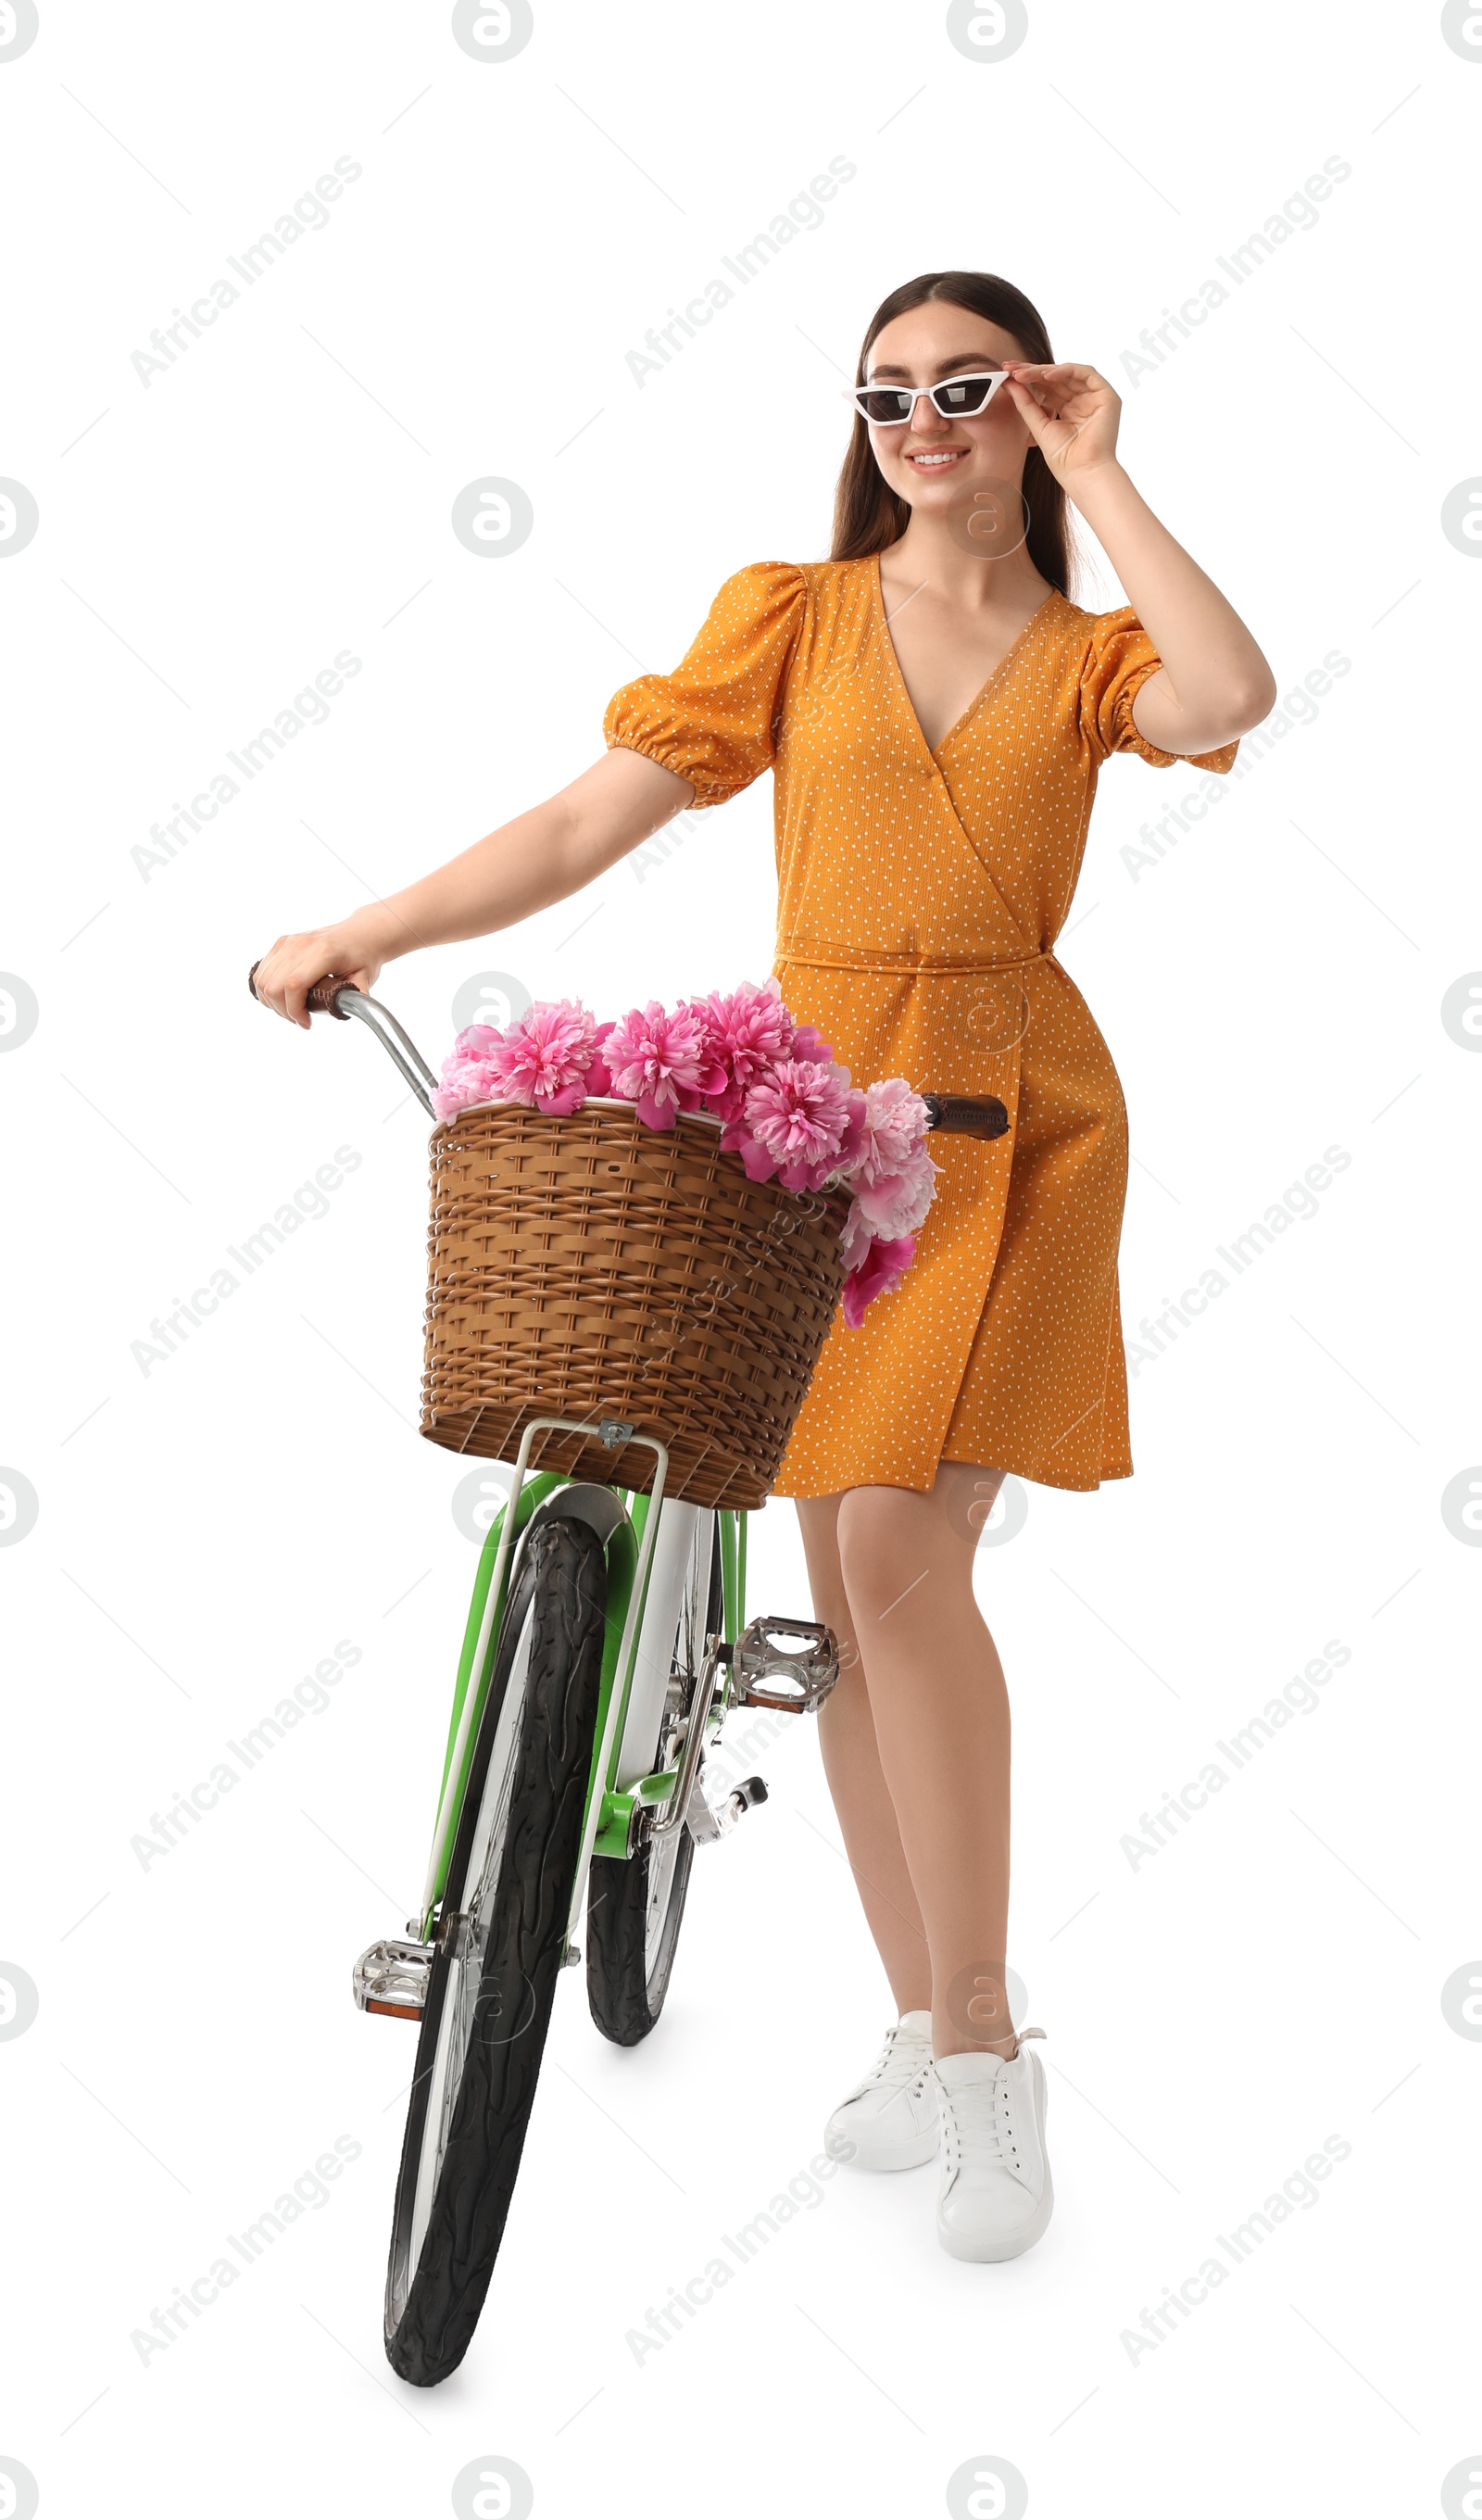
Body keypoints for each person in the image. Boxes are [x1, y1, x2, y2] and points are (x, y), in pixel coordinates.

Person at [252, 270, 1275, 2264]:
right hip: (815, 1133)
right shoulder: (788, 619)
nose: (921, 418)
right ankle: (917, 2013)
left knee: (898, 1557)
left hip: (1008, 1131)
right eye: (887, 389)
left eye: (967, 387)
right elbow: (585, 819)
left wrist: (1104, 468)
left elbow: (1226, 697)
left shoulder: (1085, 663)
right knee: (838, 1593)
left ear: (1030, 405)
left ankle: (985, 2050)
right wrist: (369, 924)